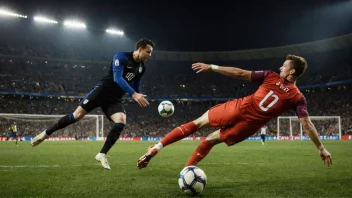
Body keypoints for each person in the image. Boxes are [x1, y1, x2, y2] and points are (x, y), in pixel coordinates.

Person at [137, 54, 332, 169]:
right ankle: (187, 170)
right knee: (210, 141)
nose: (280, 67)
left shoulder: (270, 76)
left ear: (291, 72)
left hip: (238, 108)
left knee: (196, 124)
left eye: (285, 66)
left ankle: (157, 147)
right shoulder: (298, 97)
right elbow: (307, 124)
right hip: (248, 127)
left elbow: (239, 73)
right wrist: (320, 148)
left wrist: (212, 67)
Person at [31, 39, 155, 170]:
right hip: (101, 92)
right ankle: (46, 133)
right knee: (77, 116)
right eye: (148, 52)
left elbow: (135, 84)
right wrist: (133, 94)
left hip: (114, 99)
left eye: (151, 53)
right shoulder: (121, 57)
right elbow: (118, 78)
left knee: (121, 120)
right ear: (140, 49)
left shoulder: (142, 67)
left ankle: (102, 154)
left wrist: (138, 94)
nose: (150, 55)